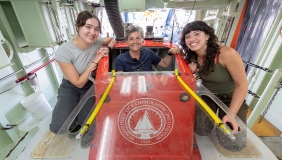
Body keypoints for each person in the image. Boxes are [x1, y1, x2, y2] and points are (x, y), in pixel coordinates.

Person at [50, 10, 116, 148]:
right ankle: (72, 117)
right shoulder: (64, 51)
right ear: (78, 27)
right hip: (72, 85)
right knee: (58, 128)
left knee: (88, 123)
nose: (92, 32)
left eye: (96, 29)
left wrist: (107, 49)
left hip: (90, 84)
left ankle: (79, 119)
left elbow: (112, 39)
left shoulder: (97, 41)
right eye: (88, 27)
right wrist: (95, 60)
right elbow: (78, 83)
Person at [179, 21, 249, 151]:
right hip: (208, 95)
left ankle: (224, 120)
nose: (192, 39)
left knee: (233, 143)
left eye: (196, 34)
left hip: (230, 98)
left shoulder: (226, 54)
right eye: (187, 36)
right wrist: (191, 62)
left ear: (207, 36)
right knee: (201, 130)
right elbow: (177, 54)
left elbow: (242, 85)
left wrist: (231, 114)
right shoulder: (192, 55)